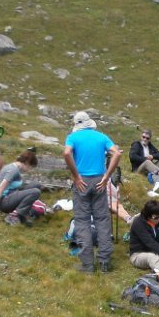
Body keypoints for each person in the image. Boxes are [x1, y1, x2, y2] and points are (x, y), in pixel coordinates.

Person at [64, 111, 121, 273]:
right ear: (89, 123)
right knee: (102, 219)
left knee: (82, 220)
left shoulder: (72, 138)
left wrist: (76, 176)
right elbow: (116, 153)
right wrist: (107, 176)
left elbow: (67, 153)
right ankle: (104, 262)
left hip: (81, 181)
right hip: (99, 181)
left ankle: (87, 264)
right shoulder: (101, 137)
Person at [0, 150, 42, 226]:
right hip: (4, 202)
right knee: (35, 192)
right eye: (31, 167)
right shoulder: (13, 171)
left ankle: (23, 213)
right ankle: (14, 216)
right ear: (27, 163)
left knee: (36, 185)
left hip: (11, 196)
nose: (30, 170)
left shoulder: (16, 168)